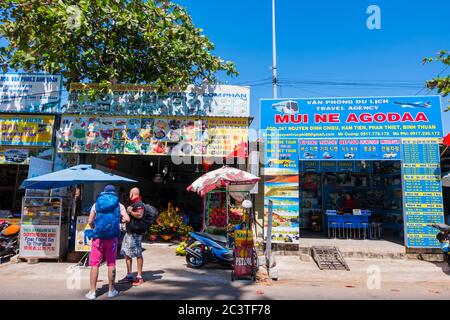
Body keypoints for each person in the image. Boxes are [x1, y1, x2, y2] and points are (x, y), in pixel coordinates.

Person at [85, 185, 130, 300]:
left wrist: (95, 227)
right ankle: (111, 290)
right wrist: (122, 220)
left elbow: (90, 221)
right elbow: (127, 219)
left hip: (98, 238)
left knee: (95, 264)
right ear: (114, 193)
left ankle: (92, 292)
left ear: (104, 192)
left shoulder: (96, 204)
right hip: (112, 238)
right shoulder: (119, 205)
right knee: (111, 263)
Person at [119, 187, 146, 286]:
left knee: (138, 253)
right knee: (127, 253)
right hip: (130, 232)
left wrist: (130, 212)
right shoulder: (135, 203)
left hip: (136, 233)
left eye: (129, 194)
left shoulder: (139, 203)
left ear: (132, 194)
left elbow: (140, 215)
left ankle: (139, 277)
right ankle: (129, 275)